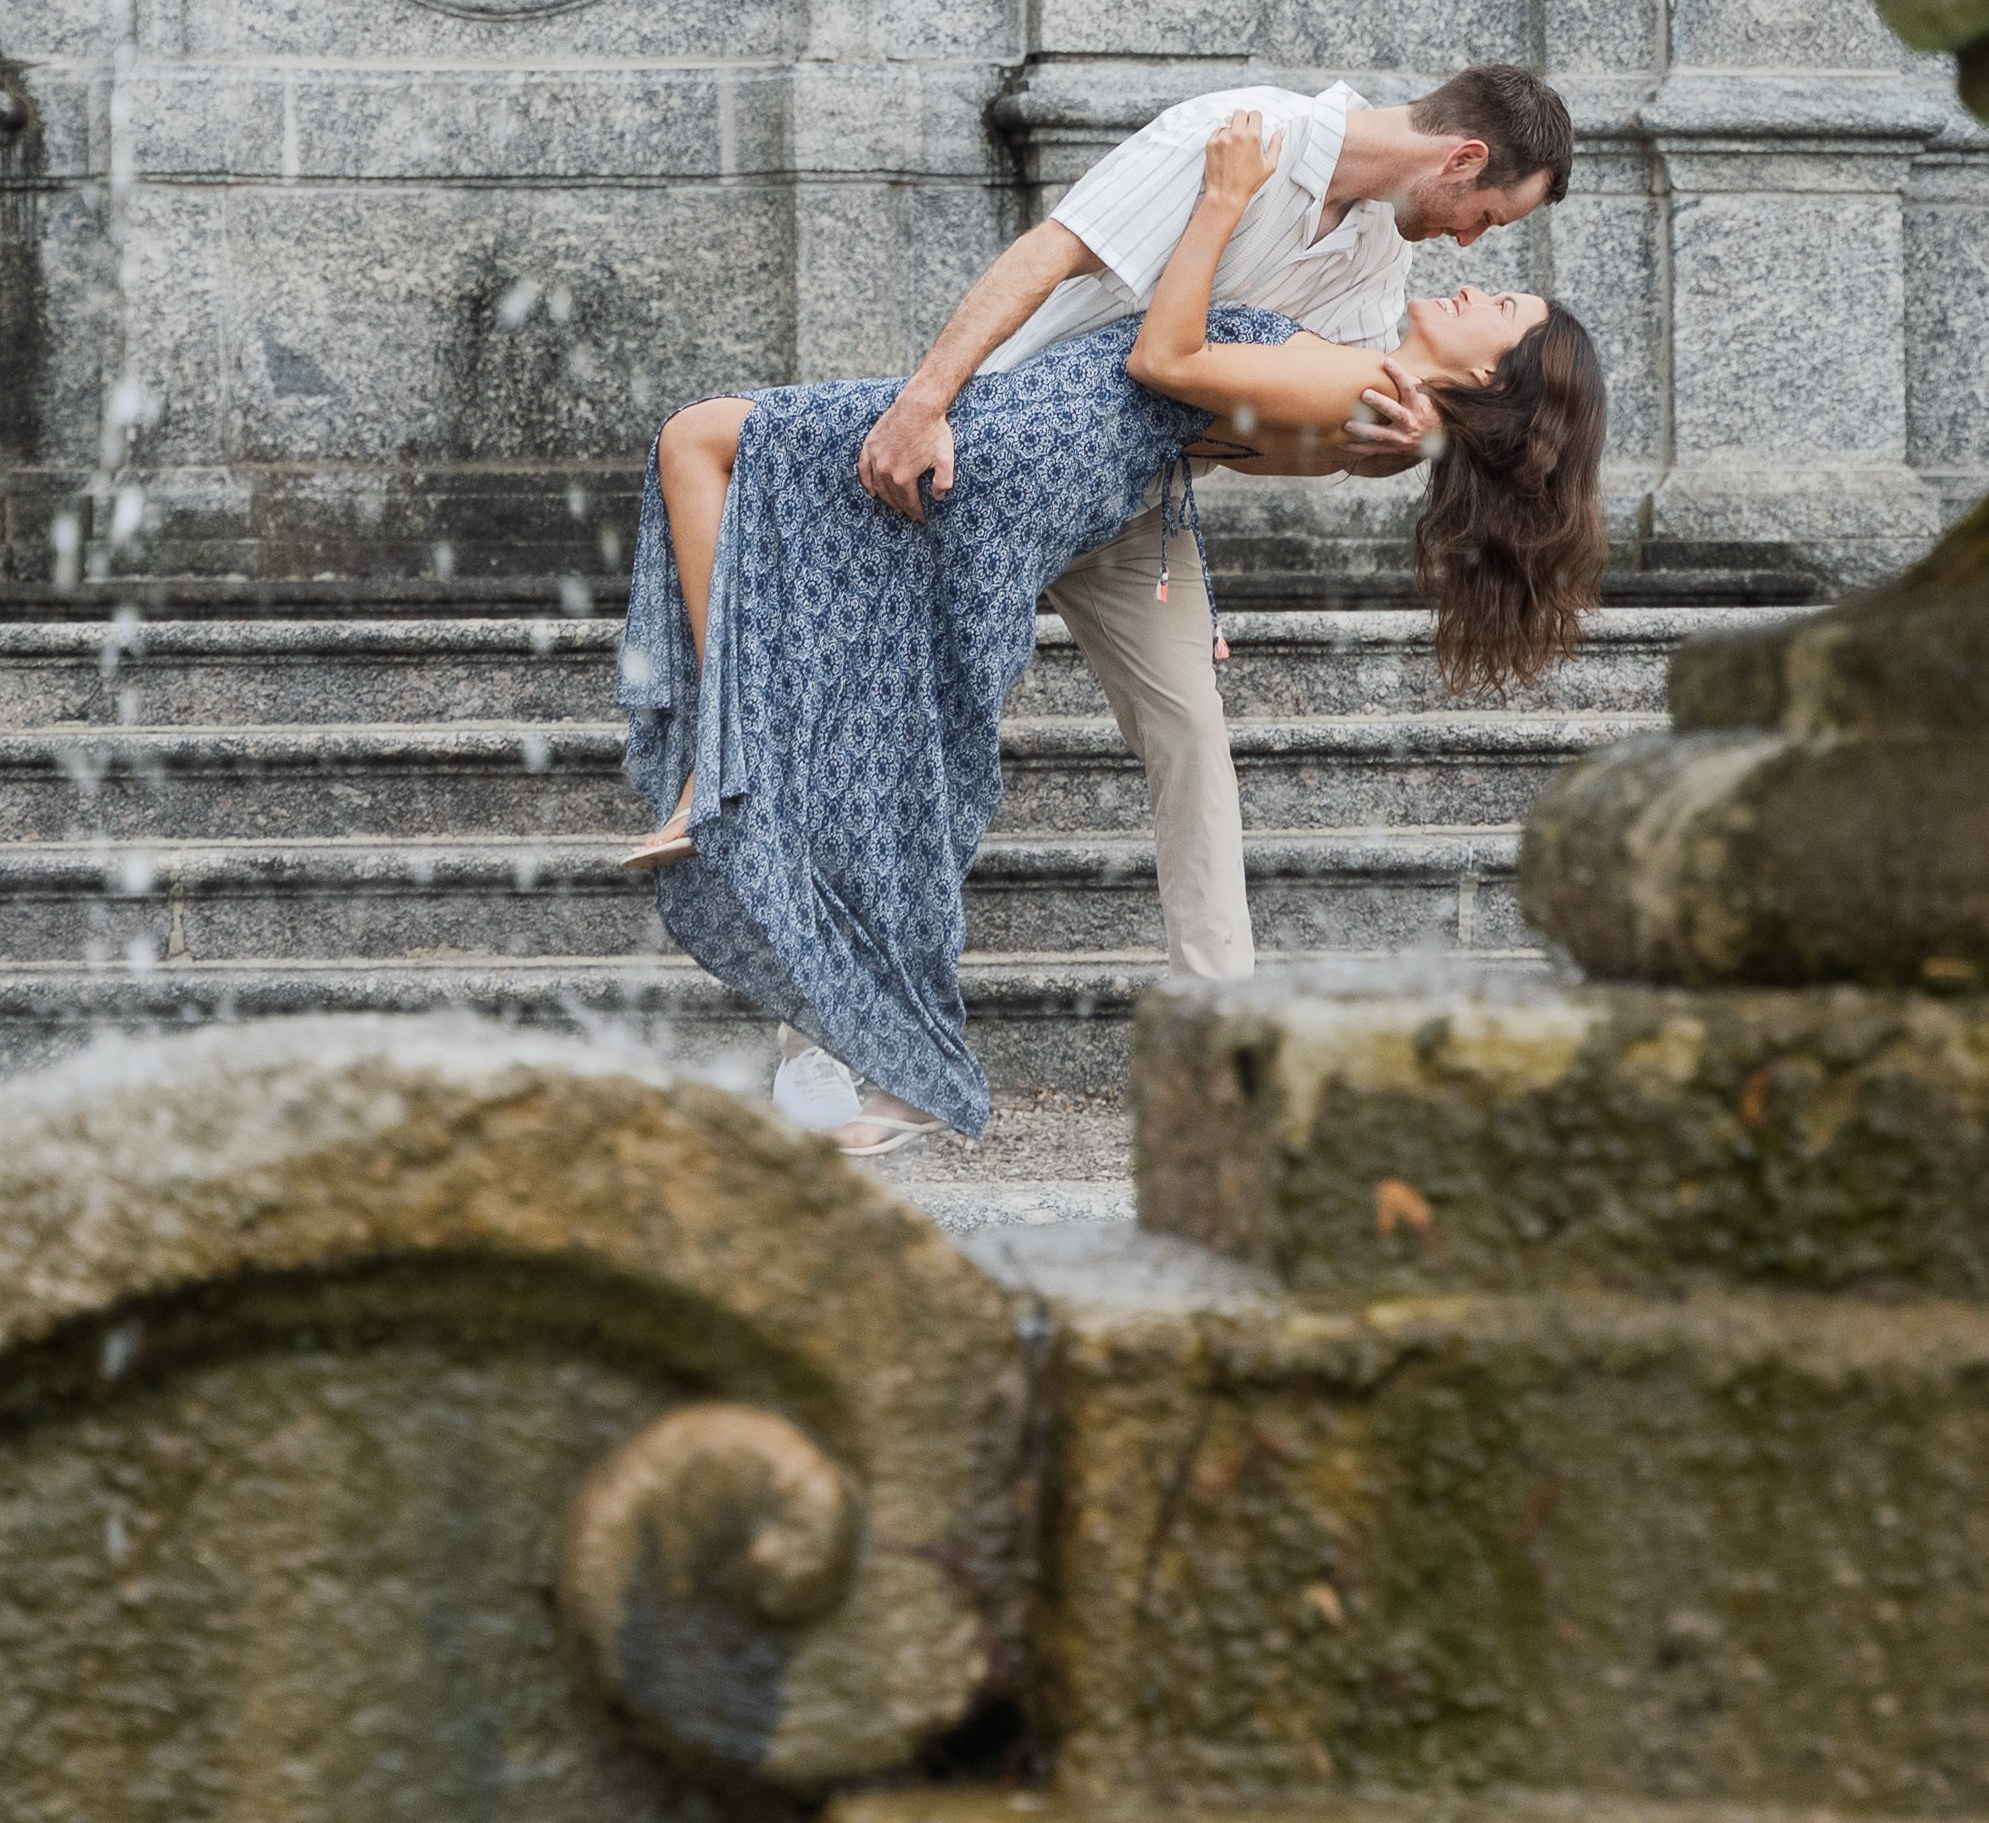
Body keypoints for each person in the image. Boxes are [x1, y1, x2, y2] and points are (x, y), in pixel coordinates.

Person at [618, 113, 1605, 1158]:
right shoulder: (1363, 357)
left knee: (711, 455)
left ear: (1493, 378)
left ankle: (741, 775)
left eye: (1501, 305)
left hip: (1019, 458)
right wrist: (1413, 441)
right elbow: (1210, 419)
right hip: (1032, 449)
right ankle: (770, 833)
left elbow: (1164, 357)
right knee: (893, 731)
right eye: (1489, 234)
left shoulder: (1359, 378)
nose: (1474, 272)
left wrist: (1222, 202)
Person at [857, 62, 1572, 986]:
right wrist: (923, 403)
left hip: (1135, 501)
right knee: (921, 731)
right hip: (994, 465)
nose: (1469, 243)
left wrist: (1399, 445)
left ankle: (1218, 1010)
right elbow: (1048, 254)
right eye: (1486, 217)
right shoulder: (1240, 134)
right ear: (1463, 158)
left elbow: (1271, 428)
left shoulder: (1378, 260)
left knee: (1190, 735)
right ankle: (837, 1030)